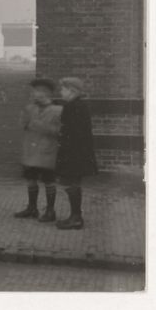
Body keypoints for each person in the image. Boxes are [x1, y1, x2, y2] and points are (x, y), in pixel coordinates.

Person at [15, 76, 63, 221]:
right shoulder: (30, 108)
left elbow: (58, 131)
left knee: (49, 181)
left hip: (47, 152)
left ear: (45, 93)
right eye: (34, 92)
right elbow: (22, 125)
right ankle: (32, 208)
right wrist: (25, 116)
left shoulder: (58, 110)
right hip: (31, 151)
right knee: (31, 180)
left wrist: (37, 124)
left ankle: (50, 211)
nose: (33, 94)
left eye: (36, 92)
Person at [54, 76, 98, 230]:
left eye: (63, 89)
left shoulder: (73, 107)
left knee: (71, 183)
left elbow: (73, 132)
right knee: (73, 183)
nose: (61, 91)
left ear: (71, 91)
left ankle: (76, 217)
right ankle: (75, 216)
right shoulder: (80, 105)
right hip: (78, 152)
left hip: (73, 152)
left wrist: (62, 141)